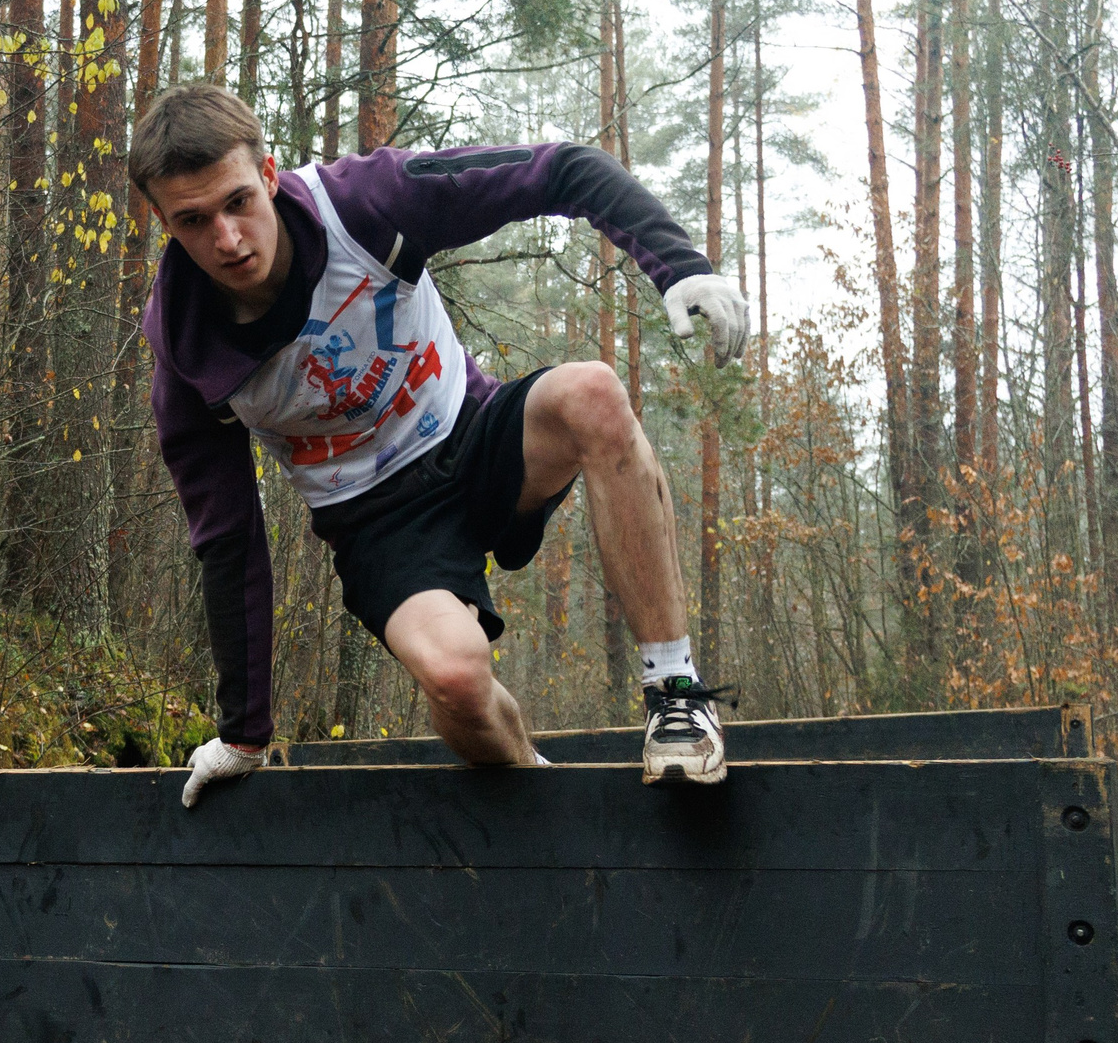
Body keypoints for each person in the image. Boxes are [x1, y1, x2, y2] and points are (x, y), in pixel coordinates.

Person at [131, 86, 748, 798]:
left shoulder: (364, 203)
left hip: (474, 433)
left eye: (239, 201)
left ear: (270, 174)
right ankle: (537, 795)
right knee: (456, 677)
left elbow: (560, 168)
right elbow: (227, 537)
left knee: (593, 393)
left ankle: (676, 697)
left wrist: (679, 264)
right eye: (193, 220)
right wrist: (244, 731)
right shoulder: (185, 352)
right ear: (165, 223)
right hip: (379, 522)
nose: (228, 239)